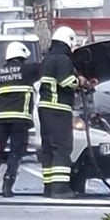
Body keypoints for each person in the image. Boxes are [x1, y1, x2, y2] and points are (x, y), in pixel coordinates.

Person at [0, 41, 40, 198]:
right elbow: (46, 67)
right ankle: (8, 186)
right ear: (22, 56)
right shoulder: (28, 70)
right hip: (20, 119)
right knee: (16, 152)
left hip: (0, 120)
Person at [37, 26, 80, 197]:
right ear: (69, 41)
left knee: (48, 148)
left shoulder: (47, 59)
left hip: (45, 109)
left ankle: (48, 187)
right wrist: (80, 82)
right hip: (59, 108)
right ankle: (60, 187)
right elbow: (67, 82)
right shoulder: (63, 59)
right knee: (62, 148)